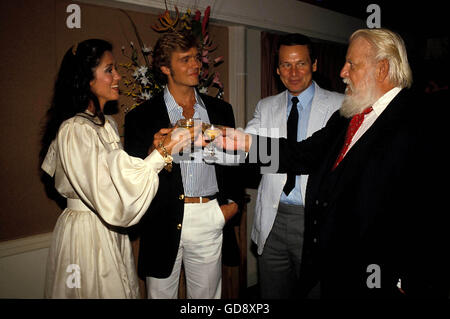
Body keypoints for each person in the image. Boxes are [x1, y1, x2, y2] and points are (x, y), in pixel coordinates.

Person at [214, 28, 450, 298]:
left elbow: (433, 205)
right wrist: (246, 143)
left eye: (352, 64)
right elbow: (302, 154)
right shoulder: (348, 117)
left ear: (382, 69)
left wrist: (412, 279)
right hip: (339, 266)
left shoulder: (423, 119)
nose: (342, 72)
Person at [40, 39, 190, 298]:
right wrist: (163, 153)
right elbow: (109, 196)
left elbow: (116, 177)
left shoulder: (105, 124)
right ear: (87, 78)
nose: (118, 76)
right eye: (109, 69)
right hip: (88, 234)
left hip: (108, 229)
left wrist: (153, 152)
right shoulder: (75, 130)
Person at [124, 31, 243, 299]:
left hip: (210, 215)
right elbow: (132, 175)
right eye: (185, 59)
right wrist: (154, 151)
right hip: (161, 218)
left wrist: (232, 206)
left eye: (197, 58)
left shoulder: (221, 110)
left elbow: (235, 161)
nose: (196, 65)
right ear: (165, 68)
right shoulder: (140, 118)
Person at [244, 33, 343, 299]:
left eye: (301, 63)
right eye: (286, 64)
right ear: (277, 70)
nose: (294, 72)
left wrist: (247, 146)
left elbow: (322, 162)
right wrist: (209, 139)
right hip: (272, 221)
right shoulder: (266, 107)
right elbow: (248, 152)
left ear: (314, 65)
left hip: (315, 220)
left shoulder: (340, 106)